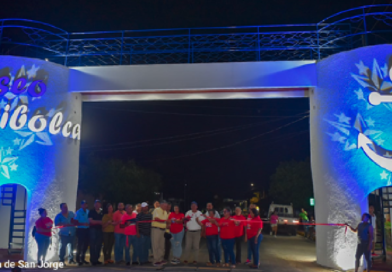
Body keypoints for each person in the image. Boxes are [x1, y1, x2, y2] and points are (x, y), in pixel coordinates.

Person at [151, 200, 169, 266]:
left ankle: (160, 259)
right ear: (161, 205)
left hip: (163, 230)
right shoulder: (157, 210)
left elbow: (166, 221)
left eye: (166, 206)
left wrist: (168, 224)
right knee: (156, 245)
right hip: (156, 229)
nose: (166, 207)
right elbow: (156, 219)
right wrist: (165, 221)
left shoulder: (165, 212)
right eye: (165, 205)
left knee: (161, 245)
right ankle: (156, 260)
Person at [74, 200, 90, 266]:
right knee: (80, 245)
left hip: (87, 230)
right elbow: (75, 222)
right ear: (81, 205)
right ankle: (78, 259)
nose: (84, 205)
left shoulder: (88, 211)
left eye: (85, 204)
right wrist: (83, 223)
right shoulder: (78, 212)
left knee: (85, 245)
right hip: (81, 229)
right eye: (83, 204)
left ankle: (82, 258)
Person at [88, 200, 104, 265]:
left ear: (100, 205)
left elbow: (104, 221)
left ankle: (97, 259)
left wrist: (96, 221)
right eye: (96, 204)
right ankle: (93, 260)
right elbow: (91, 221)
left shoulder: (102, 212)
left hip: (100, 230)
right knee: (92, 245)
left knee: (99, 245)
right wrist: (99, 222)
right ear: (94, 205)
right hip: (93, 230)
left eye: (98, 204)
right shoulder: (91, 212)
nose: (97, 205)